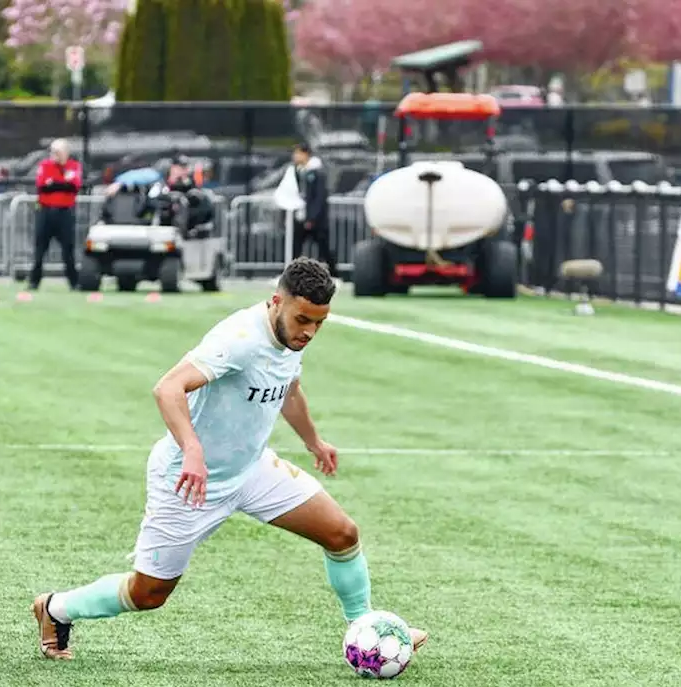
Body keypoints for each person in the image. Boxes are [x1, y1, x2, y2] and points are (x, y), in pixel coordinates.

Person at [32, 257, 428, 660]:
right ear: (277, 302)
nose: (309, 331)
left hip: (252, 469)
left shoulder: (291, 337)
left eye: (319, 323)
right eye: (303, 319)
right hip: (189, 480)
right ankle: (55, 608)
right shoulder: (239, 339)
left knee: (342, 534)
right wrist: (192, 449)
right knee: (149, 593)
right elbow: (168, 388)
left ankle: (367, 628)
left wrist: (313, 441)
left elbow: (288, 390)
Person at [29, 138, 82, 291]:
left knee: (68, 249)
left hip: (65, 212)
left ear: (66, 152)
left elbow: (74, 186)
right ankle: (34, 281)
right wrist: (61, 184)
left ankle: (74, 283)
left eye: (58, 152)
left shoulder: (74, 166)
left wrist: (55, 184)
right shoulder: (45, 165)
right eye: (53, 151)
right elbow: (42, 186)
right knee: (40, 249)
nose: (54, 155)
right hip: (46, 211)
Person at [290, 143, 337, 278]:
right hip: (301, 216)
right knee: (296, 246)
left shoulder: (317, 172)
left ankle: (334, 273)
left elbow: (319, 197)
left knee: (323, 246)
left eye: (298, 153)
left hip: (317, 220)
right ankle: (292, 274)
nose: (295, 156)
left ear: (305, 154)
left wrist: (312, 217)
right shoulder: (298, 171)